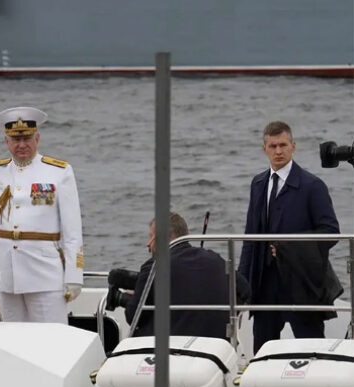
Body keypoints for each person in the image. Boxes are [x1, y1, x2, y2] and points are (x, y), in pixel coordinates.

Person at [0, 106, 83, 323]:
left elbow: (72, 230)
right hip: (4, 273)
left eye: (27, 139)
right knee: (8, 341)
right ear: (7, 142)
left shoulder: (59, 171)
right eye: (15, 140)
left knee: (51, 340)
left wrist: (74, 275)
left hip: (45, 273)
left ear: (37, 138)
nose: (21, 145)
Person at [237, 121, 340, 353]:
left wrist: (289, 246)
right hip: (264, 284)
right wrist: (242, 283)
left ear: (293, 146)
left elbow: (331, 232)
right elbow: (250, 237)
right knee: (261, 349)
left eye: (283, 145)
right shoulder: (258, 184)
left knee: (312, 348)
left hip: (301, 282)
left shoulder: (312, 186)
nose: (278, 151)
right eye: (273, 146)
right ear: (264, 149)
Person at [123, 212, 251, 340]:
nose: (148, 244)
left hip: (171, 347)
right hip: (217, 345)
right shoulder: (216, 260)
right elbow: (245, 291)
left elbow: (133, 317)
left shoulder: (154, 267)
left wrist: (127, 299)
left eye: (151, 237)